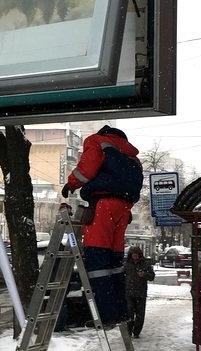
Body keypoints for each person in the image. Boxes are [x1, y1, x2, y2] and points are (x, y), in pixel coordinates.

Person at [61, 125, 143, 324]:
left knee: (98, 262)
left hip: (103, 205)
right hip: (124, 209)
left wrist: (71, 184)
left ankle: (106, 315)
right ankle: (121, 311)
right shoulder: (132, 155)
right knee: (115, 263)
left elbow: (87, 169)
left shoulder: (96, 140)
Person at [124, 246, 155, 337]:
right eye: (133, 254)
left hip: (141, 293)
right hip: (129, 293)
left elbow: (152, 276)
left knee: (140, 315)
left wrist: (144, 274)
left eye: (136, 254)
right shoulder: (126, 264)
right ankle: (129, 331)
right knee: (129, 313)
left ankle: (136, 332)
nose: (135, 256)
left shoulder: (145, 264)